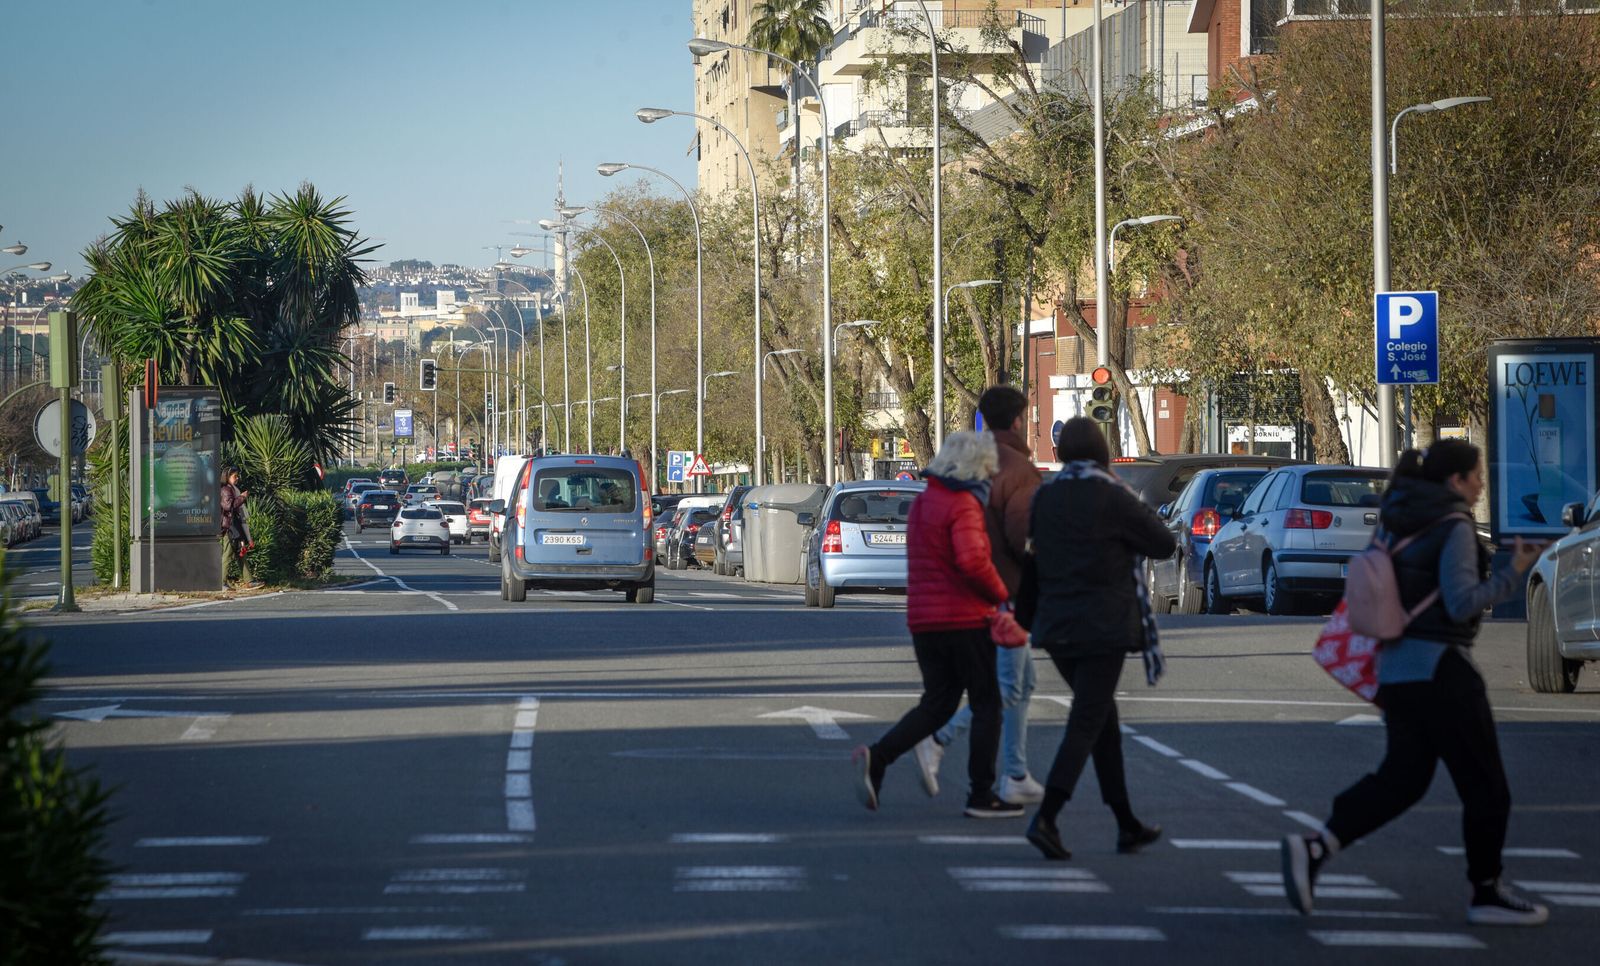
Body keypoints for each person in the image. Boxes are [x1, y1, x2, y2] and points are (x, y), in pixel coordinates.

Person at [1282, 440, 1549, 926]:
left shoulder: (1397, 518)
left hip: (1397, 669)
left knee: (1402, 780)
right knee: (1487, 786)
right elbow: (1462, 602)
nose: (1481, 485)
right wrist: (1512, 572)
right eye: (1476, 476)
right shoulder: (1455, 527)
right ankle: (1486, 891)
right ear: (1455, 481)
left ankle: (1317, 846)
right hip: (1442, 670)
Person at [1023, 417, 1172, 860]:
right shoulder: (1112, 495)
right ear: (1102, 452)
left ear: (1062, 453)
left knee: (1102, 723)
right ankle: (1047, 817)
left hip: (1055, 625)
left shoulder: (1046, 495)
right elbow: (1163, 544)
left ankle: (1126, 823)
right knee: (1088, 721)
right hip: (1103, 627)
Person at [852, 430, 1020, 818]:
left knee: (938, 703)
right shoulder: (963, 505)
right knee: (988, 703)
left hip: (924, 620)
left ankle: (879, 758)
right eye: (988, 468)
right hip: (964, 619)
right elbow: (972, 562)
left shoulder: (924, 502)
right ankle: (981, 794)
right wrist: (1001, 595)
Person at [914, 387, 1047, 806]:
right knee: (1005, 687)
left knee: (1022, 681)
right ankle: (939, 739)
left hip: (978, 590)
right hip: (1004, 590)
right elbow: (1021, 535)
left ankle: (1016, 773)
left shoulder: (975, 458)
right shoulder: (1018, 468)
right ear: (1018, 420)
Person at [219, 468, 254, 587]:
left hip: (234, 525)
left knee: (240, 553)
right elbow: (228, 505)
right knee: (227, 554)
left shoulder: (233, 488)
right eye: (235, 476)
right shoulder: (225, 489)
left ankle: (249, 581)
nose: (237, 478)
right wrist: (242, 497)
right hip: (229, 527)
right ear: (227, 477)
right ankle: (221, 582)